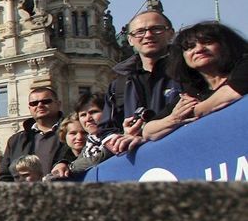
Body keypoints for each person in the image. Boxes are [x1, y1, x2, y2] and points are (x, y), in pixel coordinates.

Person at [143, 22, 248, 142]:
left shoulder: (244, 65)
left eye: (207, 42)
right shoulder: (194, 92)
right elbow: (148, 131)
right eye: (190, 47)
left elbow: (232, 93)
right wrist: (174, 119)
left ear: (225, 45)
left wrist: (193, 112)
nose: (199, 49)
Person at [102, 10, 182, 155]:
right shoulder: (119, 85)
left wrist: (145, 134)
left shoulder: (188, 70)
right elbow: (106, 131)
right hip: (143, 162)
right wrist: (122, 138)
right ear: (130, 39)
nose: (148, 35)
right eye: (140, 32)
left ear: (171, 33)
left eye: (156, 29)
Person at [0, 86, 74, 181]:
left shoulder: (74, 133)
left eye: (46, 101)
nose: (40, 105)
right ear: (29, 108)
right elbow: (5, 177)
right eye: (34, 103)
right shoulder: (16, 140)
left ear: (58, 104)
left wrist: (64, 163)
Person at [67, 92, 112, 178]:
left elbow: (96, 160)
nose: (88, 118)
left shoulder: (113, 136)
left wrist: (69, 167)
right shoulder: (89, 144)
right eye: (83, 115)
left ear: (107, 112)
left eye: (93, 112)